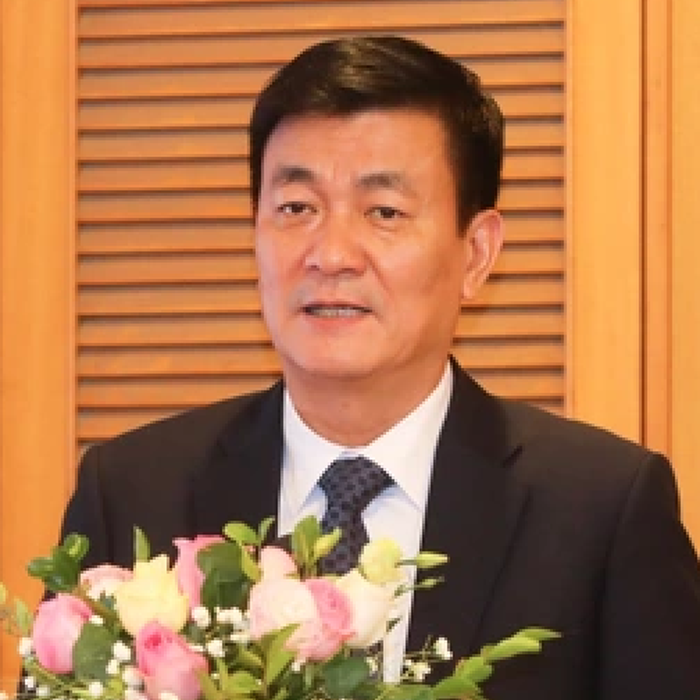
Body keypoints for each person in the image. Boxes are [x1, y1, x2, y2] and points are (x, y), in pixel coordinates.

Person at [59, 35, 700, 699]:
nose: (331, 254)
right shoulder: (131, 495)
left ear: (477, 253)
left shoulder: (602, 511)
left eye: (384, 212)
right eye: (297, 208)